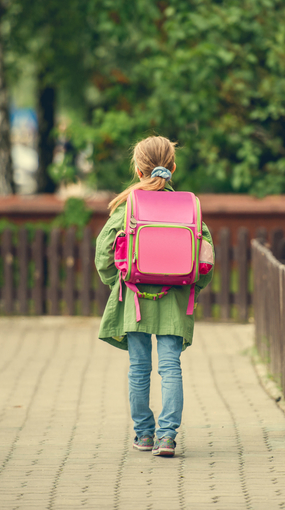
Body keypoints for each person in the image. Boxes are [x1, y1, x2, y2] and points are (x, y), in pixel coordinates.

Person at [94, 136, 215, 457]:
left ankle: (144, 435)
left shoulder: (129, 207)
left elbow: (102, 253)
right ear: (172, 167)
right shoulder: (189, 206)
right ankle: (167, 437)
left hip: (134, 299)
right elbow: (206, 257)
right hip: (176, 298)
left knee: (138, 368)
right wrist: (193, 288)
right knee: (170, 367)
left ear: (137, 170)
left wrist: (116, 283)